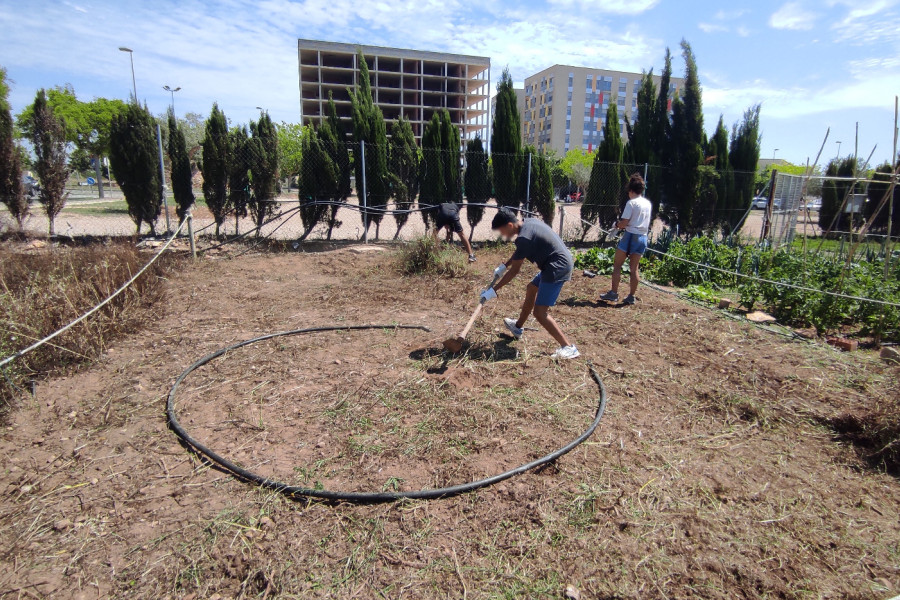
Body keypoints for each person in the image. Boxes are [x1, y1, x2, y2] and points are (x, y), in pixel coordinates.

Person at [480, 208, 580, 360]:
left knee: (540, 313)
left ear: (509, 225)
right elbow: (520, 251)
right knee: (531, 288)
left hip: (556, 267)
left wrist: (493, 290)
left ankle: (568, 347)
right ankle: (517, 327)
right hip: (553, 264)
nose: (503, 236)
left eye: (502, 231)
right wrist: (504, 265)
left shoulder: (524, 238)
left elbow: (515, 272)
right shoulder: (528, 223)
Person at [599, 173, 652, 306]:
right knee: (634, 269)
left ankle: (613, 293)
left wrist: (616, 225)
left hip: (630, 236)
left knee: (617, 265)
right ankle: (631, 296)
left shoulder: (631, 203)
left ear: (631, 190)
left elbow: (624, 223)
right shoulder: (647, 203)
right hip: (642, 237)